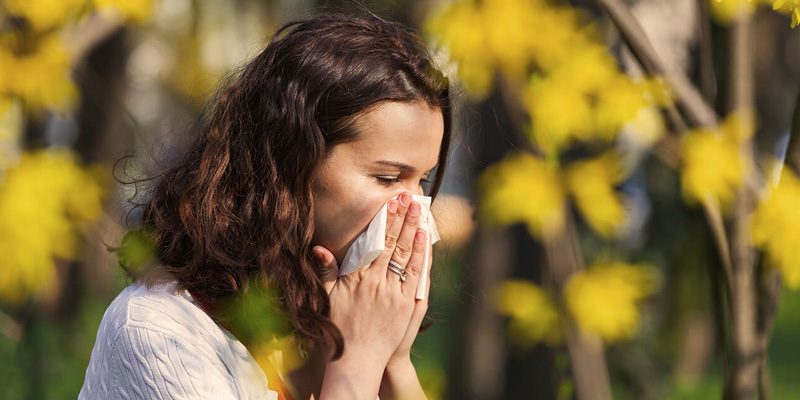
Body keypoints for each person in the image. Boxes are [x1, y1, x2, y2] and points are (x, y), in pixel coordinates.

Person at [79, 11, 452, 400]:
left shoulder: (323, 321)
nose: (416, 211)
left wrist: (394, 362)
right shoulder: (160, 332)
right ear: (292, 164)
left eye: (422, 180)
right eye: (388, 178)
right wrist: (355, 362)